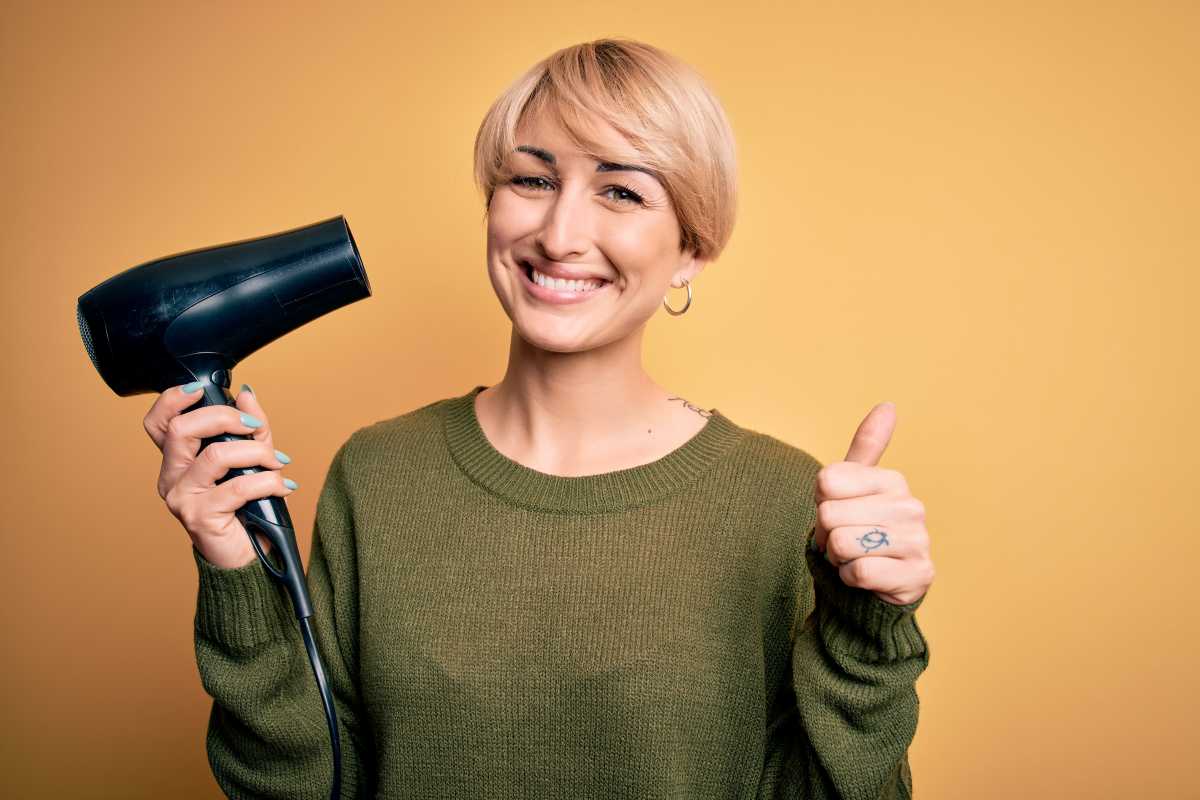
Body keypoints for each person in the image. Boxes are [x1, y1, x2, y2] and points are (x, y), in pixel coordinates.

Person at [141, 37, 935, 799]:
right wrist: (235, 572)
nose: (559, 236)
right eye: (532, 180)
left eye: (621, 191)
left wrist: (869, 634)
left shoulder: (787, 502)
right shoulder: (377, 475)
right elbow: (305, 786)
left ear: (693, 247)